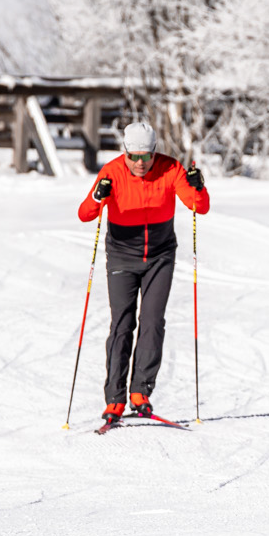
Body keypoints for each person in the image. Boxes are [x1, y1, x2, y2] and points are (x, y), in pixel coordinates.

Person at [78, 120, 210, 426]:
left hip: (160, 255)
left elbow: (198, 207)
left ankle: (141, 392)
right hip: (123, 254)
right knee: (122, 324)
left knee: (152, 322)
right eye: (134, 156)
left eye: (146, 156)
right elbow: (86, 213)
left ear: (154, 152)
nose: (140, 163)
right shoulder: (112, 172)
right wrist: (99, 196)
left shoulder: (171, 169)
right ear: (125, 151)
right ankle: (115, 399)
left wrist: (198, 188)